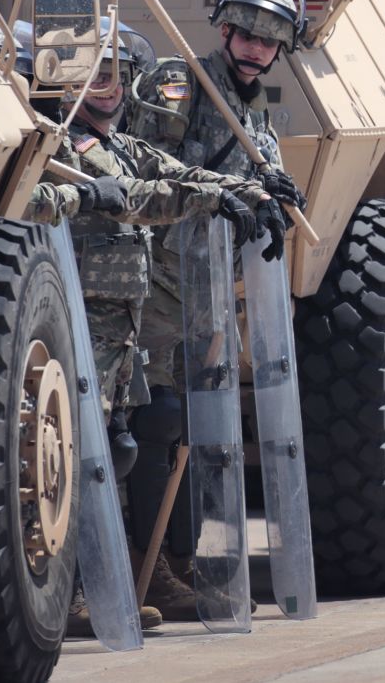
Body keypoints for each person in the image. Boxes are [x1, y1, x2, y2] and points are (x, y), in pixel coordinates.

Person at [25, 35, 282, 632]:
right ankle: (71, 589)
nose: (104, 87)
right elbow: (23, 200)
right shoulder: (52, 139)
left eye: (116, 74)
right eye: (91, 75)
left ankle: (112, 575)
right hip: (73, 318)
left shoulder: (121, 145)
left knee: (117, 448)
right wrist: (81, 193)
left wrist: (248, 192)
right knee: (70, 453)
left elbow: (179, 175)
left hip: (123, 321)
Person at [122, 0, 309, 619]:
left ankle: (182, 565)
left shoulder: (252, 104)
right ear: (225, 25)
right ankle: (143, 567)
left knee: (201, 432)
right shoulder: (180, 83)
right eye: (249, 30)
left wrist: (276, 192)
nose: (258, 45)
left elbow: (261, 167)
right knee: (158, 418)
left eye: (273, 35)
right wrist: (222, 189)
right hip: (158, 280)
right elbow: (138, 161)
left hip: (208, 291)